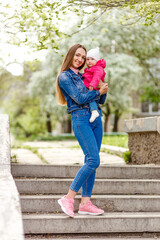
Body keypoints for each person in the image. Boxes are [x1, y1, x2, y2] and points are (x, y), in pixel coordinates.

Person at [56, 43, 108, 217]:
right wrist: (98, 92)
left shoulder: (87, 74)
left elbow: (100, 101)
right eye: (77, 55)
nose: (80, 59)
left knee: (91, 161)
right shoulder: (65, 77)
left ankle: (85, 202)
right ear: (70, 55)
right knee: (93, 160)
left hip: (96, 119)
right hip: (81, 118)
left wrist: (103, 89)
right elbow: (79, 98)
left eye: (83, 57)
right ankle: (69, 197)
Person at [83, 47, 106, 123]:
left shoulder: (98, 68)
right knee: (94, 102)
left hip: (94, 88)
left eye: (92, 59)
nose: (89, 61)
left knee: (91, 99)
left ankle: (94, 112)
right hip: (92, 88)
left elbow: (97, 77)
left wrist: (92, 85)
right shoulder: (90, 68)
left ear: (97, 60)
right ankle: (100, 114)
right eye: (88, 59)